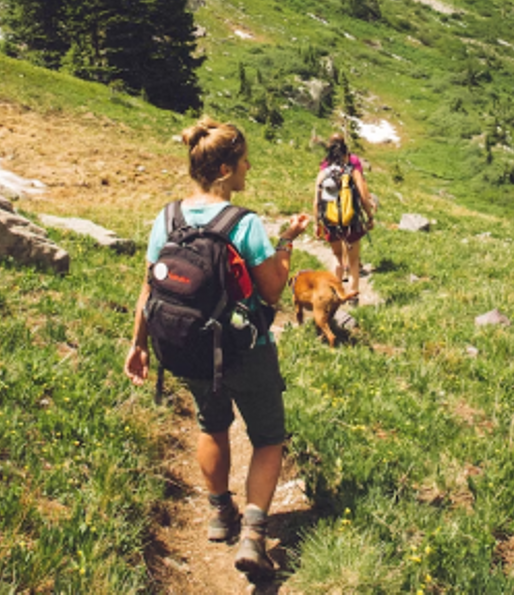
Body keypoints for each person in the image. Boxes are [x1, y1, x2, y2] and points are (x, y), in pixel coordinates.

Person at [124, 117, 310, 578]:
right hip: (245, 347)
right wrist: (286, 241)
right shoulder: (242, 224)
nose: (249, 168)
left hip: (186, 347)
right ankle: (252, 533)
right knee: (268, 438)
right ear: (226, 169)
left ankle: (217, 512)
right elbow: (271, 291)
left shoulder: (167, 218)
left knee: (212, 425)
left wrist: (138, 345)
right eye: (244, 161)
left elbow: (150, 286)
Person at [314, 133, 376, 296]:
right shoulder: (352, 171)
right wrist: (369, 217)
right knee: (354, 260)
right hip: (351, 220)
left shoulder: (323, 173)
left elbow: (316, 202)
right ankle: (354, 292)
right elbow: (363, 196)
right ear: (346, 151)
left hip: (330, 221)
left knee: (337, 255)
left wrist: (316, 224)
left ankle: (336, 291)